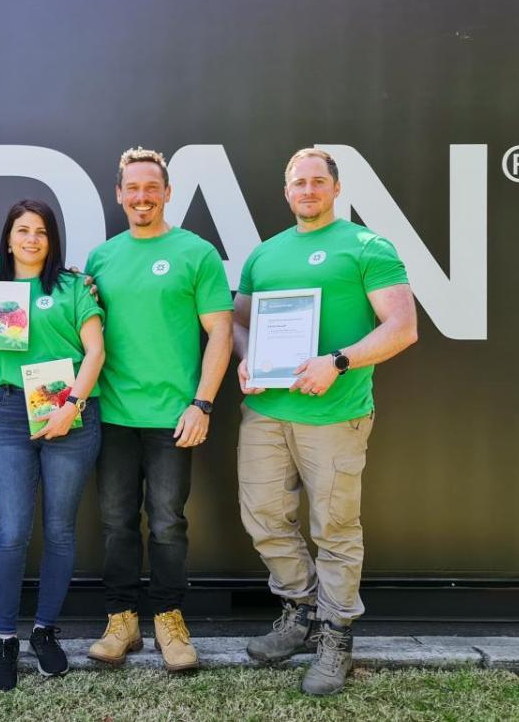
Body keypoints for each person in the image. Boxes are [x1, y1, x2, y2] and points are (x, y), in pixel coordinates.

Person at [233, 148, 418, 695]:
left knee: (335, 530)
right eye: (298, 182)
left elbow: (402, 327)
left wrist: (337, 362)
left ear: (336, 189)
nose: (307, 190)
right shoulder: (264, 256)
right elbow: (242, 322)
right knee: (263, 518)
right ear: (286, 191)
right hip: (266, 413)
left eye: (318, 181)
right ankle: (300, 611)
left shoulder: (367, 246)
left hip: (336, 415)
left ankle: (336, 635)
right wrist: (247, 358)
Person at [84, 147, 234, 672]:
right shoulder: (102, 258)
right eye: (133, 188)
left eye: (152, 188)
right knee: (115, 522)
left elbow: (219, 331)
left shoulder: (197, 253)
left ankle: (169, 619)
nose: (142, 197)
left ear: (167, 193)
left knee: (168, 523)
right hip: (114, 415)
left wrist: (203, 404)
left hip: (174, 416)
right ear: (119, 193)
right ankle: (121, 620)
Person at [0, 199, 106, 691]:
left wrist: (71, 405)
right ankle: (5, 638)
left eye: (41, 231)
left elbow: (96, 351)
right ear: (7, 239)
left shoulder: (73, 287)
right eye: (22, 230)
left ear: (52, 240)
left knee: (61, 531)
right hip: (10, 414)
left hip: (71, 411)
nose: (31, 239)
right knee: (12, 532)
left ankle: (44, 632)